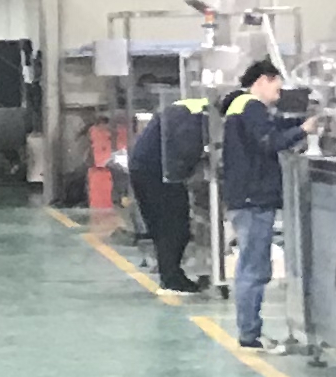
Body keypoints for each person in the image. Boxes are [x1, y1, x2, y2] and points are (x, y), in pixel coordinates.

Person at [218, 59, 302, 348]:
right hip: (253, 200)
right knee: (254, 270)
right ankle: (250, 334)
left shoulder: (241, 106)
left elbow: (274, 127)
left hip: (246, 198)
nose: (279, 93)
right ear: (263, 80)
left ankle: (250, 331)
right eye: (277, 86)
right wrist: (305, 130)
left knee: (252, 267)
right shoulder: (251, 106)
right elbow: (269, 141)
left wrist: (300, 123)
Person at [128, 81, 210, 292]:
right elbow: (186, 150)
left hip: (146, 168)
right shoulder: (197, 116)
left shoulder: (188, 107)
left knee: (165, 226)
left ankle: (170, 274)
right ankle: (172, 278)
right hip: (158, 173)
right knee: (174, 226)